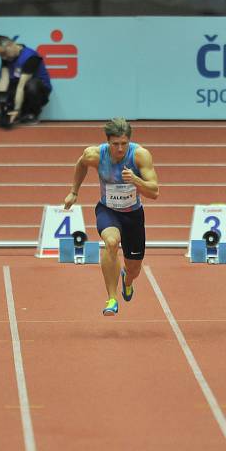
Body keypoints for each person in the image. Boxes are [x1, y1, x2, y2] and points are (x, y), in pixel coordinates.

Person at [63, 118, 159, 316]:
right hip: (108, 210)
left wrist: (135, 179)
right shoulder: (95, 155)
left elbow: (154, 192)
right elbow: (81, 164)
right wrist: (74, 191)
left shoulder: (140, 156)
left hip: (133, 215)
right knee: (111, 242)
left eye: (124, 143)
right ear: (108, 142)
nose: (120, 149)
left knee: (134, 269)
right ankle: (112, 298)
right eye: (115, 144)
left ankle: (127, 280)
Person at [0, 35, 52, 126]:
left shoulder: (30, 57)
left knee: (32, 86)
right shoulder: (6, 57)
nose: (4, 58)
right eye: (1, 56)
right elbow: (4, 80)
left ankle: (31, 113)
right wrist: (2, 105)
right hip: (17, 87)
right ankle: (8, 110)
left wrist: (16, 110)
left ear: (11, 45)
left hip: (36, 89)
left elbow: (21, 86)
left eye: (4, 53)